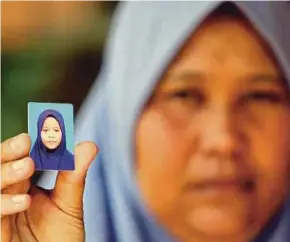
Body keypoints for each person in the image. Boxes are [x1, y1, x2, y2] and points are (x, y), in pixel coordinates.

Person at [1, 1, 290, 242]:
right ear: (120, 119)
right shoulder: (43, 232)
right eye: (184, 95)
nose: (223, 140)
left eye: (260, 96)